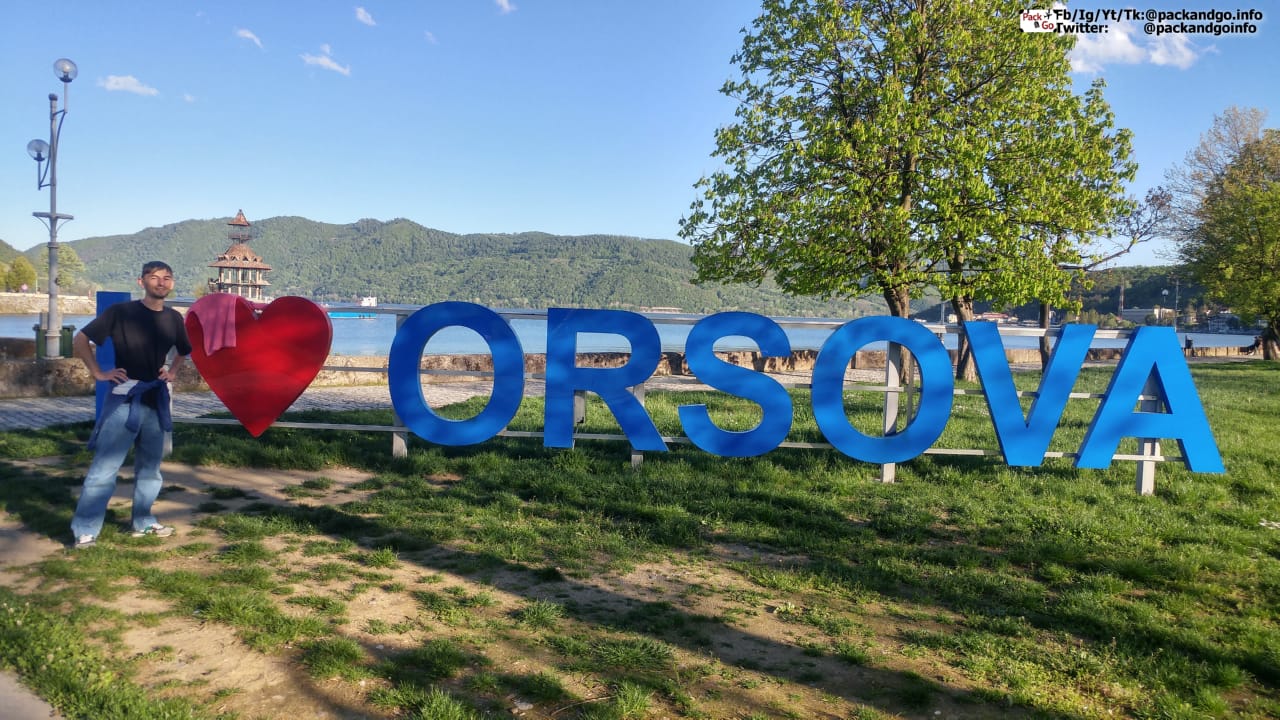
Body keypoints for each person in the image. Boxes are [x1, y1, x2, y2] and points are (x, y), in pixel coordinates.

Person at [69, 261, 193, 549]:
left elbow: (184, 351)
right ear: (141, 282)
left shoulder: (174, 318)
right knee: (104, 469)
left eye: (167, 278)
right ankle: (85, 530)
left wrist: (172, 372)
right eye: (154, 277)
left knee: (151, 469)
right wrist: (99, 372)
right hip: (125, 396)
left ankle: (143, 521)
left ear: (172, 283)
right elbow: (81, 339)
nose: (161, 283)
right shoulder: (121, 312)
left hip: (156, 397)